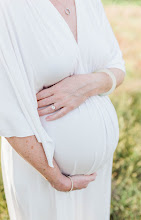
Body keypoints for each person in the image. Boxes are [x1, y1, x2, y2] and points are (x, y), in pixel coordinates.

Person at [0, 0, 126, 219]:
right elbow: (7, 106)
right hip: (41, 172)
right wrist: (55, 177)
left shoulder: (89, 3)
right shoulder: (9, 7)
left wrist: (89, 85)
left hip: (96, 176)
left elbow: (118, 66)